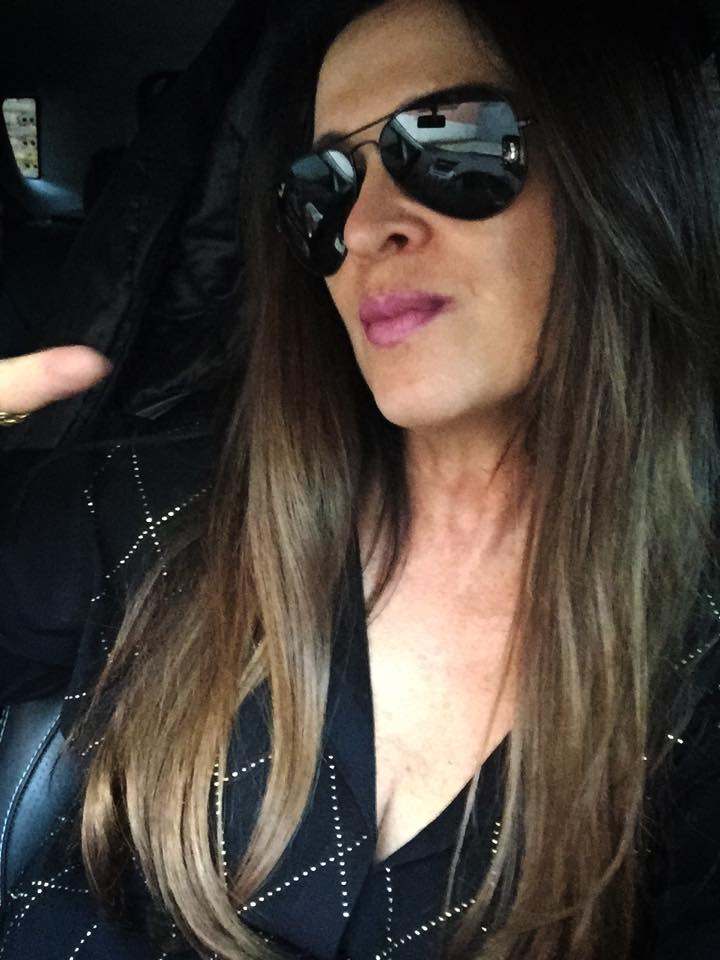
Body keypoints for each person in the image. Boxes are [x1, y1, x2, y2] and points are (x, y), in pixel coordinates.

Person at [1, 0, 720, 958]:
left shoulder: (695, 681)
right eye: (324, 186)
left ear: (622, 168)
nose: (367, 225)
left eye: (451, 142)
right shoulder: (151, 511)